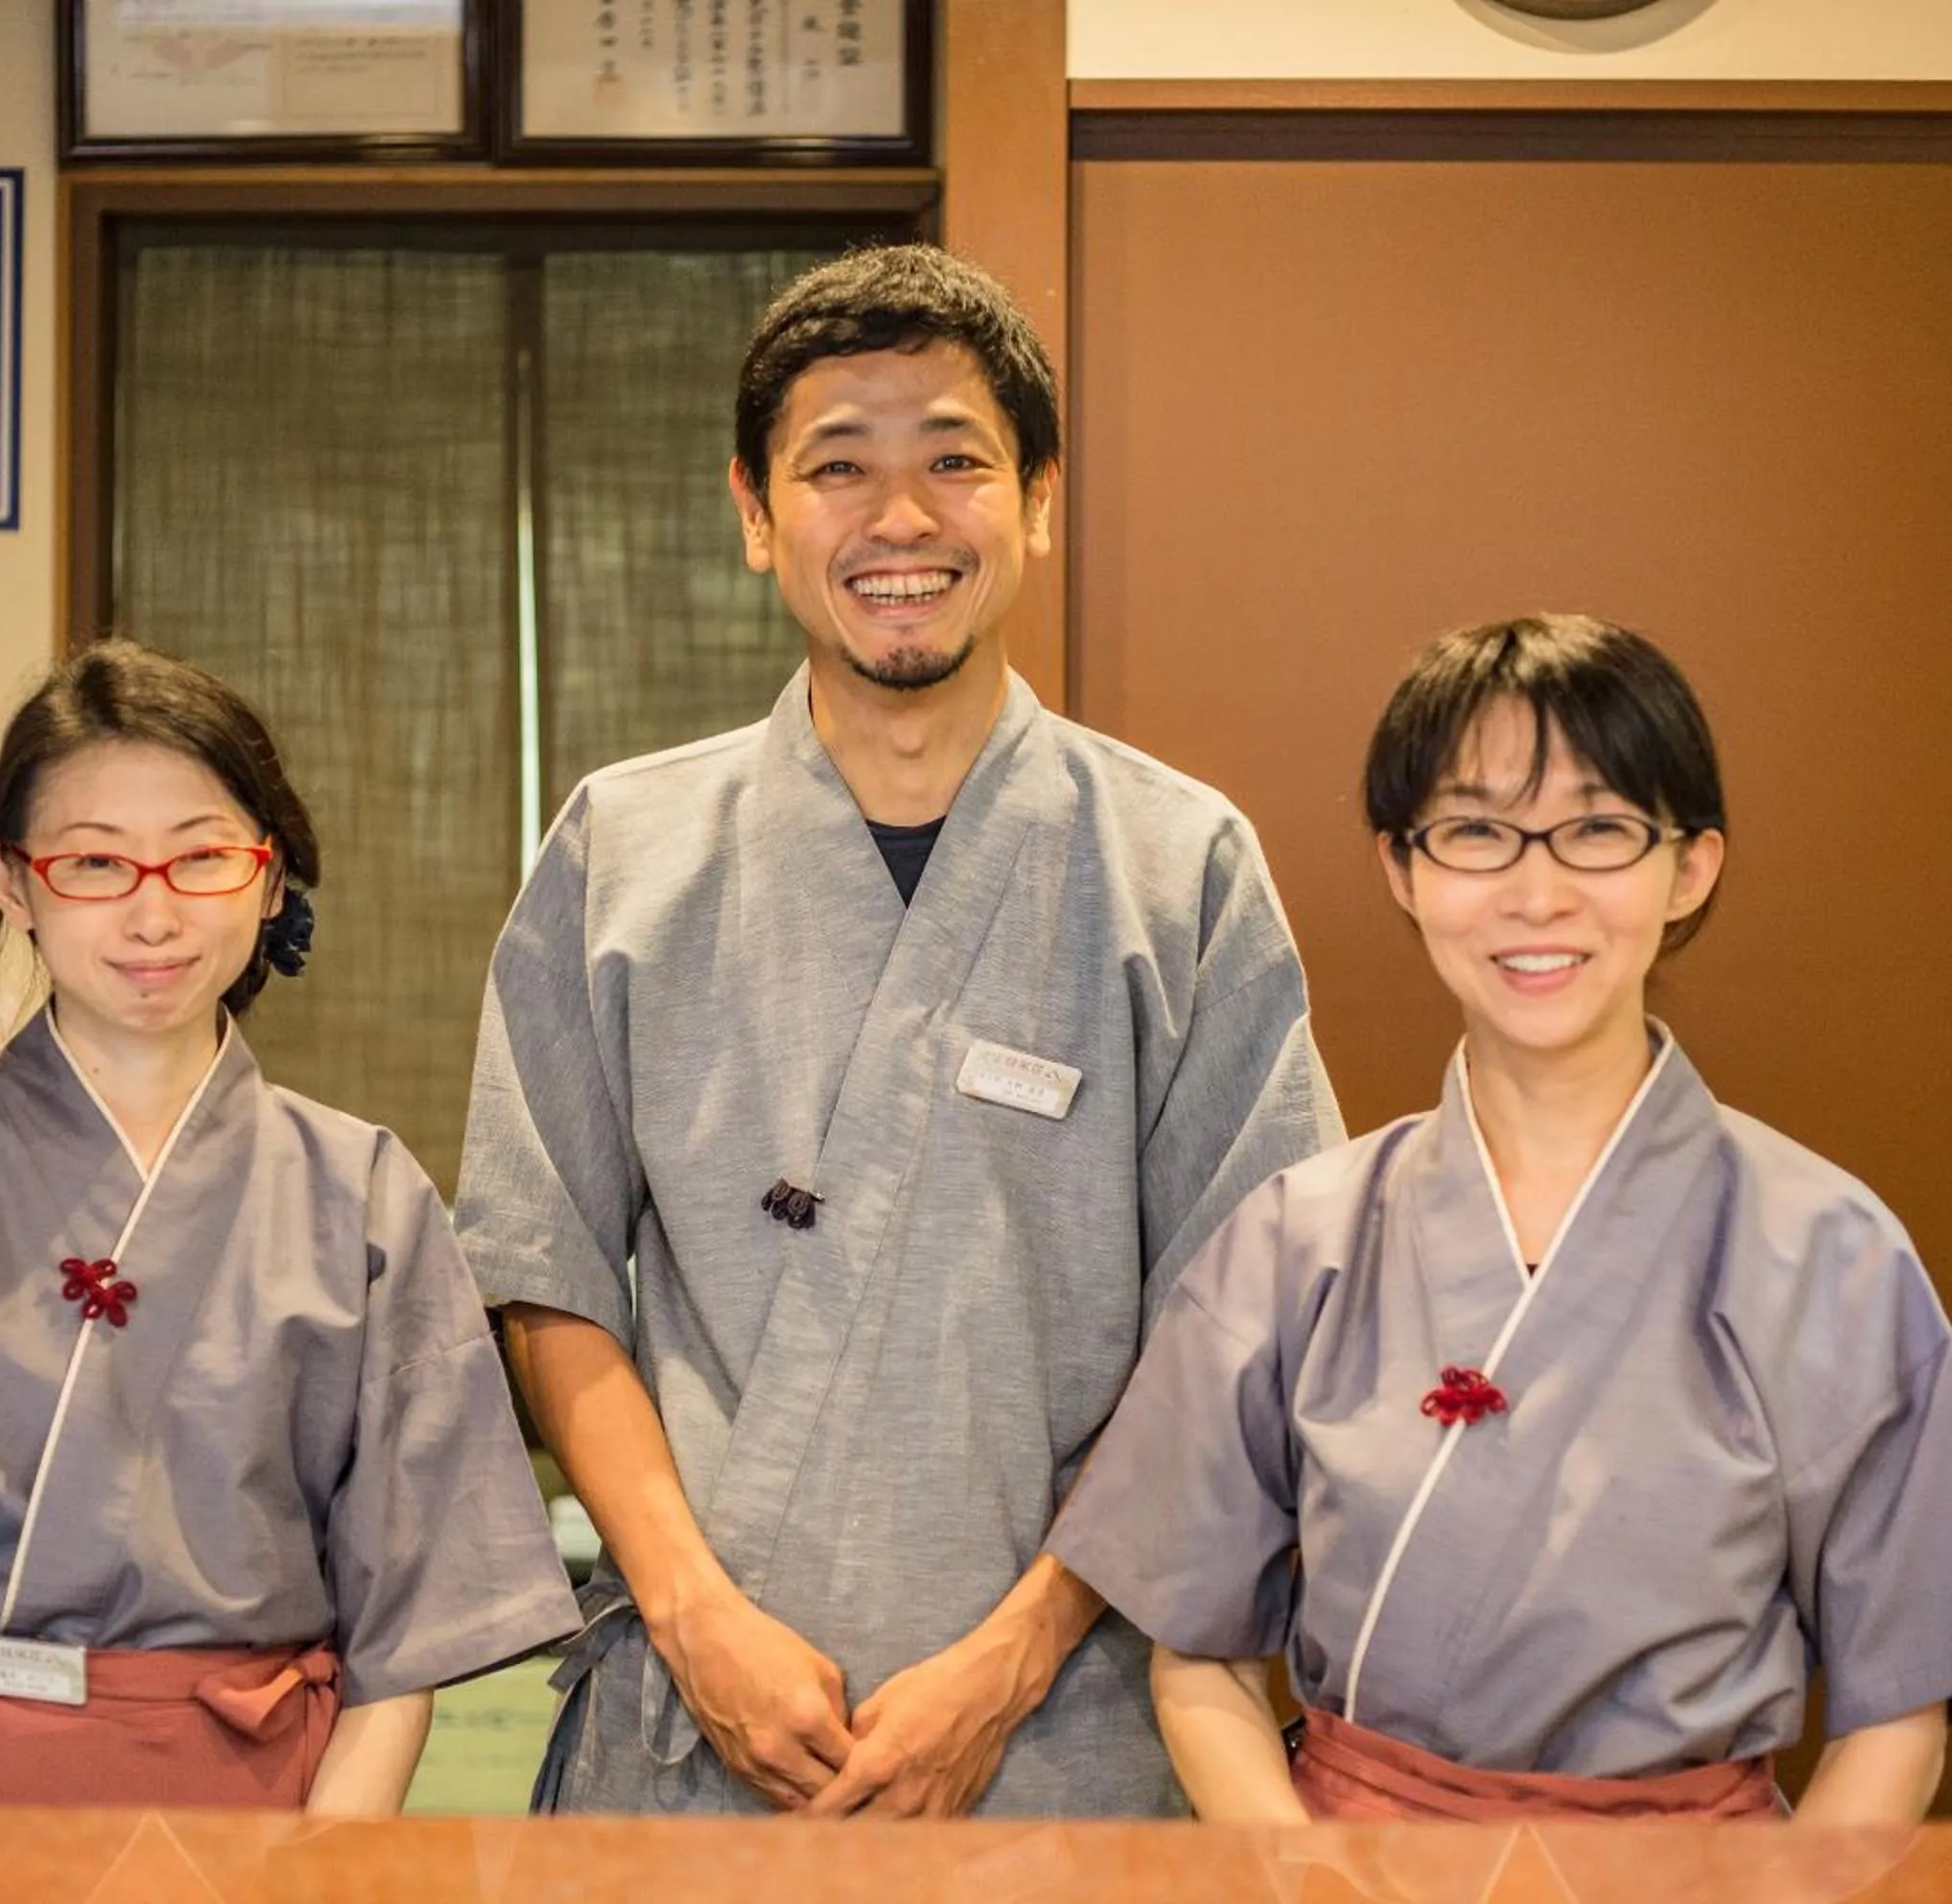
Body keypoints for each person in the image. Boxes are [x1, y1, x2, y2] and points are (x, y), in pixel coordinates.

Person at [454, 244, 1342, 1818]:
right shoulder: (621, 855)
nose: (901, 519)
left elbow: (1237, 1324)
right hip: (698, 1732)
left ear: (1038, 499)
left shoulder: (1177, 866)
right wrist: (693, 1615)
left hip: (1064, 1737)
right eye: (837, 468)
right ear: (755, 512)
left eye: (955, 462)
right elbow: (547, 1278)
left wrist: (1011, 1662)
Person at [1046, 614, 1952, 1825]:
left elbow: (1902, 1710)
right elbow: (1194, 1655)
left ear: (1690, 866)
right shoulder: (1292, 1243)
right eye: (1475, 831)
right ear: (1403, 869)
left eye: (1598, 829)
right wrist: (1304, 1876)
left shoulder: (1833, 1253)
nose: (1537, 892)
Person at [0, 640, 578, 1812]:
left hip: (280, 1807)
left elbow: (414, 1617)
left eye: (203, 857)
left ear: (271, 878)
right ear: (12, 879)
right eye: (93, 861)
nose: (152, 912)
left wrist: (331, 1865)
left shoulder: (366, 1192)